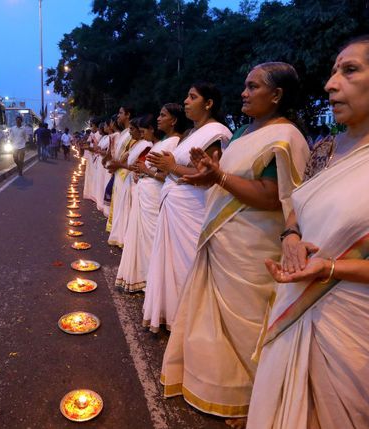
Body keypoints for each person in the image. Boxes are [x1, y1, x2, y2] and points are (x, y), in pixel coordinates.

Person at [247, 33, 369, 429]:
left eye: (349, 70)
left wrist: (330, 269)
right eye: (334, 72)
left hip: (364, 334)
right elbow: (296, 212)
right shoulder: (325, 150)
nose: (331, 83)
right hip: (297, 301)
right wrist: (292, 239)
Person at [159, 63, 310, 424]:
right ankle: (219, 390)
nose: (244, 92)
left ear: (276, 96)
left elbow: (272, 196)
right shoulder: (243, 131)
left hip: (252, 247)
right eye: (244, 85)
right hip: (223, 239)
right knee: (214, 327)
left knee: (249, 326)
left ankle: (258, 402)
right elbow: (220, 177)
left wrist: (220, 176)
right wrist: (207, 172)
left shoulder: (286, 137)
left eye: (252, 86)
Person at [142, 82, 232, 332]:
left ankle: (187, 322)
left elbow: (208, 174)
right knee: (169, 263)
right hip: (175, 204)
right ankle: (169, 314)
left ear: (209, 103)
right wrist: (168, 167)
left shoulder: (217, 132)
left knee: (187, 265)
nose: (186, 101)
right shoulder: (193, 133)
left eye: (192, 97)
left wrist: (172, 167)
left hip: (193, 207)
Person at [115, 105, 188, 293]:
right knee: (143, 238)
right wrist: (143, 173)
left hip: (155, 196)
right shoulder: (163, 142)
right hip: (146, 193)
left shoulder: (174, 143)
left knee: (152, 239)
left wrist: (146, 172)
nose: (158, 119)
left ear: (174, 120)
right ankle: (142, 277)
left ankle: (151, 282)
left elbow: (167, 175)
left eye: (163, 115)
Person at [106, 106, 134, 241]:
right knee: (117, 202)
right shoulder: (124, 133)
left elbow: (130, 153)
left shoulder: (131, 133)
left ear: (128, 115)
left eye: (121, 113)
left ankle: (122, 236)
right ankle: (118, 232)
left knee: (123, 204)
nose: (118, 116)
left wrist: (116, 165)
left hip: (124, 171)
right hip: (118, 170)